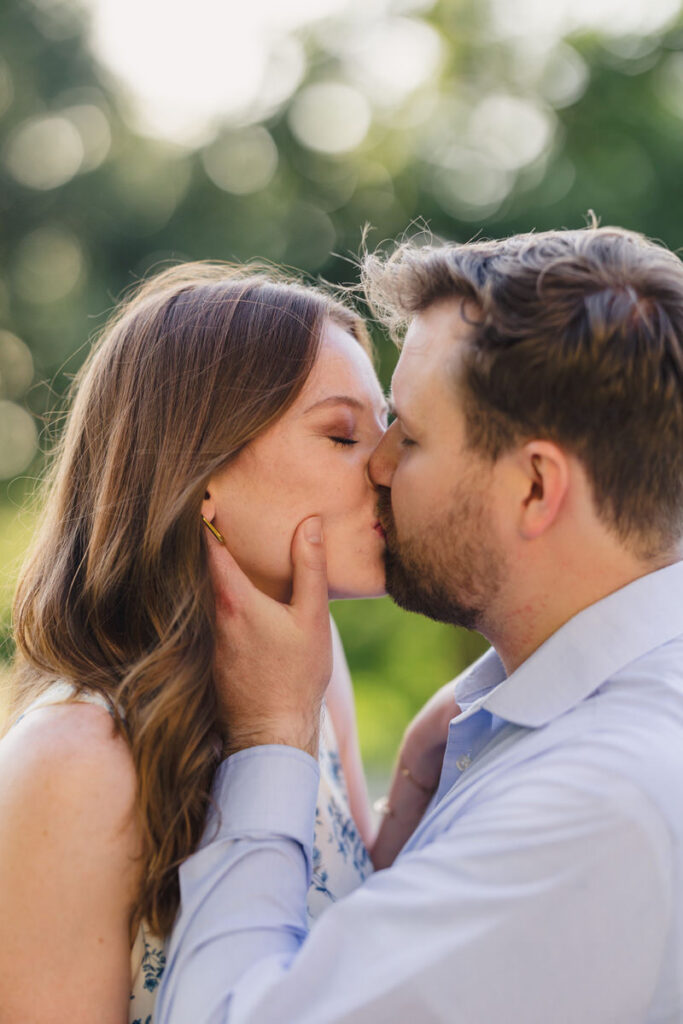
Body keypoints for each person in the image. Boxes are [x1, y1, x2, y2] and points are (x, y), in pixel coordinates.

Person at [157, 225, 683, 1024]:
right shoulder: (533, 732)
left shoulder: (590, 809)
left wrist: (268, 736)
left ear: (536, 488)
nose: (376, 463)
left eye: (409, 431)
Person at [0, 263, 450, 1023]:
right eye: (342, 433)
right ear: (198, 473)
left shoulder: (311, 661)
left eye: (385, 426)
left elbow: (326, 926)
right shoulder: (74, 762)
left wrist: (416, 773)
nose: (386, 462)